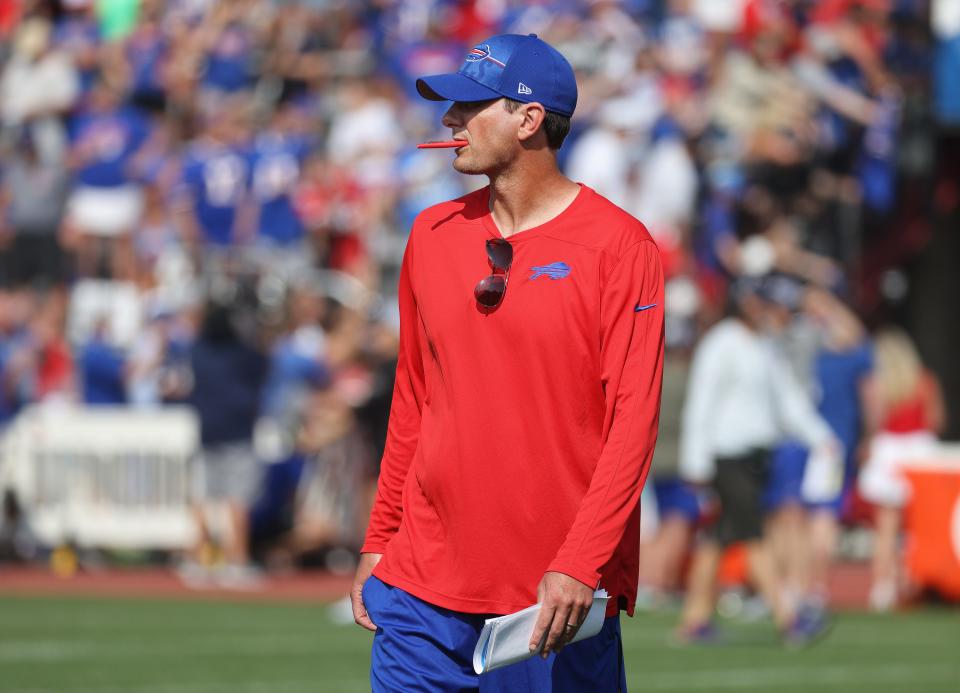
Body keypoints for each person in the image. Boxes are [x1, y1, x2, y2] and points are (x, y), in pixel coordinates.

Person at [349, 33, 665, 691]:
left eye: (469, 106)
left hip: (548, 600)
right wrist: (381, 539)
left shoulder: (621, 247)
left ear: (527, 120)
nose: (449, 122)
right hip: (418, 587)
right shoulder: (429, 234)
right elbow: (413, 398)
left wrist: (579, 563)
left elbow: (632, 424)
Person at [676, 275, 840, 647]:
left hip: (754, 458)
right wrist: (695, 463)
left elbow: (790, 401)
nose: (772, 310)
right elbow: (702, 404)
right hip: (726, 456)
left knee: (719, 539)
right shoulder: (721, 344)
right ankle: (790, 618)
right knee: (753, 535)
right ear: (746, 302)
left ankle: (694, 619)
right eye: (763, 302)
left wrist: (822, 438)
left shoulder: (765, 346)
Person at [858, 327, 946, 611]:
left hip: (889, 451)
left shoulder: (876, 383)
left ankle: (882, 588)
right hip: (920, 452)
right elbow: (936, 420)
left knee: (886, 527)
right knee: (919, 529)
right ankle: (912, 583)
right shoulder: (924, 381)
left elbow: (874, 422)